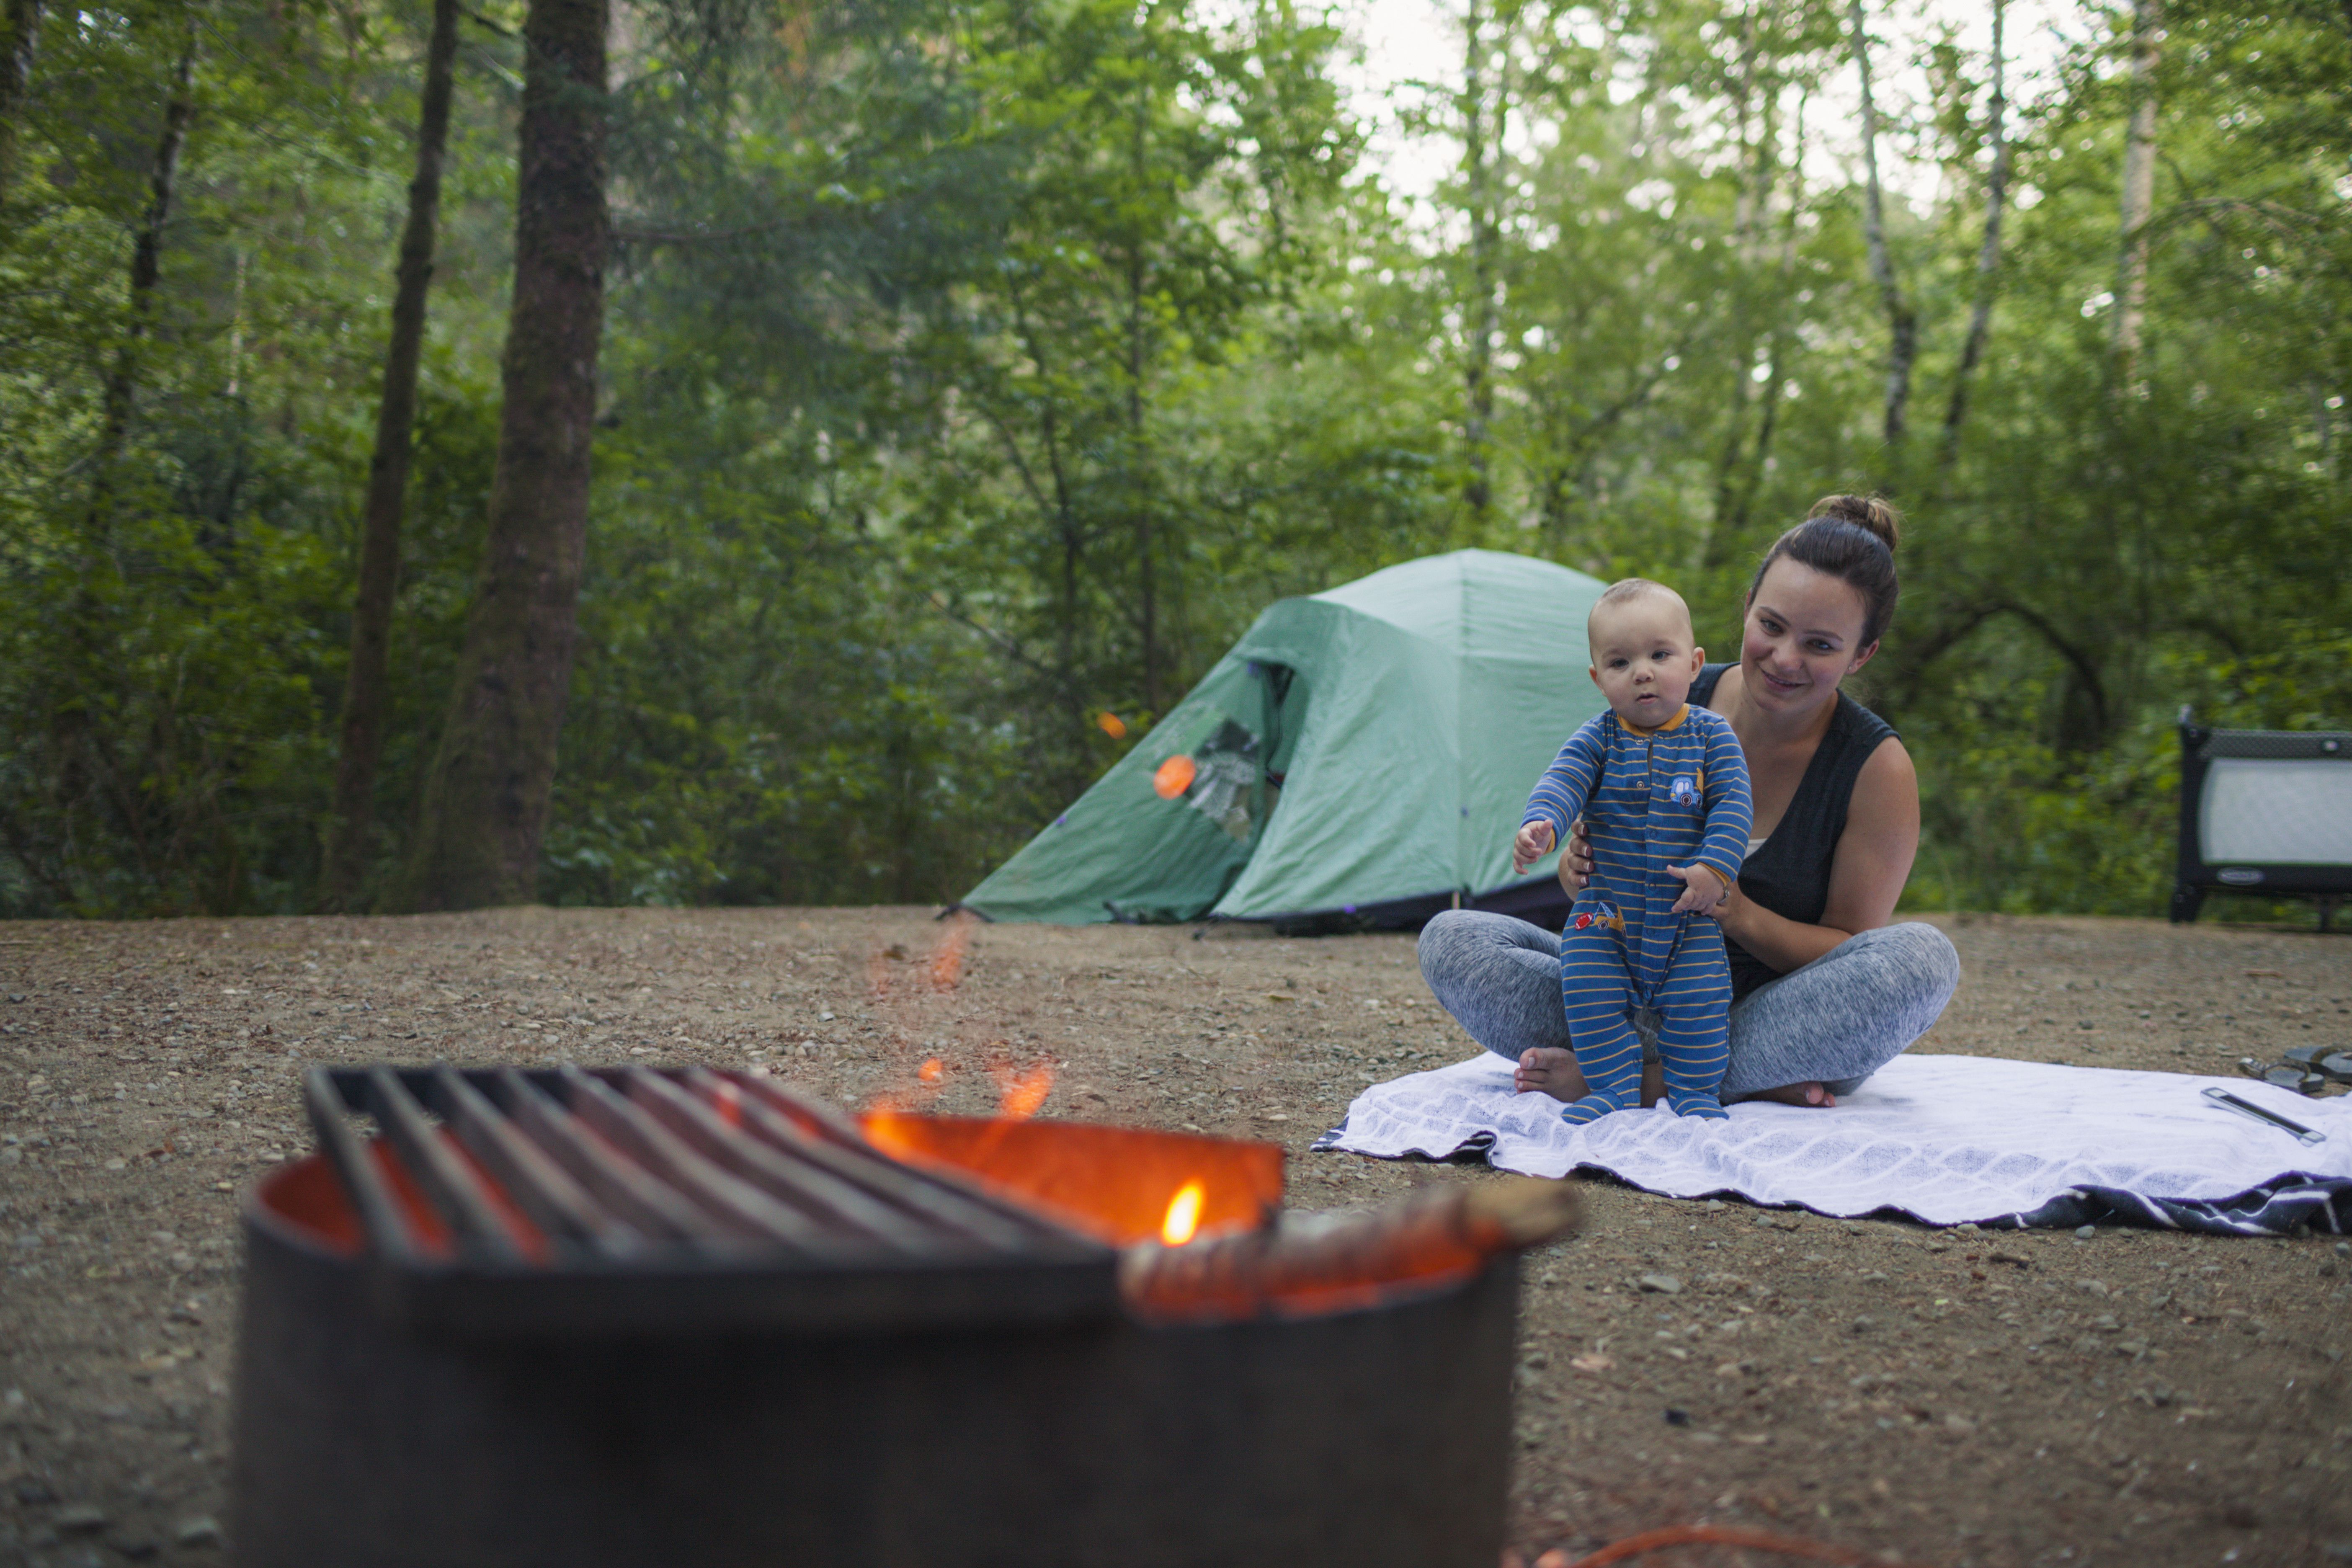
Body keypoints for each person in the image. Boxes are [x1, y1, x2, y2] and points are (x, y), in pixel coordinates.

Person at [1420, 495, 1960, 1109]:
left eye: (1820, 645)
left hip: (1777, 1021)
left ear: (1862, 654)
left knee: (1921, 960)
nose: (1785, 659)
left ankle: (1650, 1079)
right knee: (1453, 939)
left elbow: (1852, 949)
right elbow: (1588, 827)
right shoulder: (1661, 691)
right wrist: (1576, 873)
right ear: (1748, 609)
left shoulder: (1875, 767)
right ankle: (1724, 1080)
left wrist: (1738, 912)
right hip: (1624, 990)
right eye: (1772, 627)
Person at [1513, 579, 1752, 1123]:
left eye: (1660, 655)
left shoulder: (1712, 737)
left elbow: (1734, 807)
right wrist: (1541, 826)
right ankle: (1614, 1085)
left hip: (1684, 916)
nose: (1642, 672)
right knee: (1587, 987)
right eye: (1621, 663)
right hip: (1606, 914)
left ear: (1694, 665)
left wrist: (1715, 868)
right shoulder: (1596, 739)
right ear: (1599, 679)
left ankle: (1694, 1089)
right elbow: (1561, 783)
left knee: (1701, 1001)